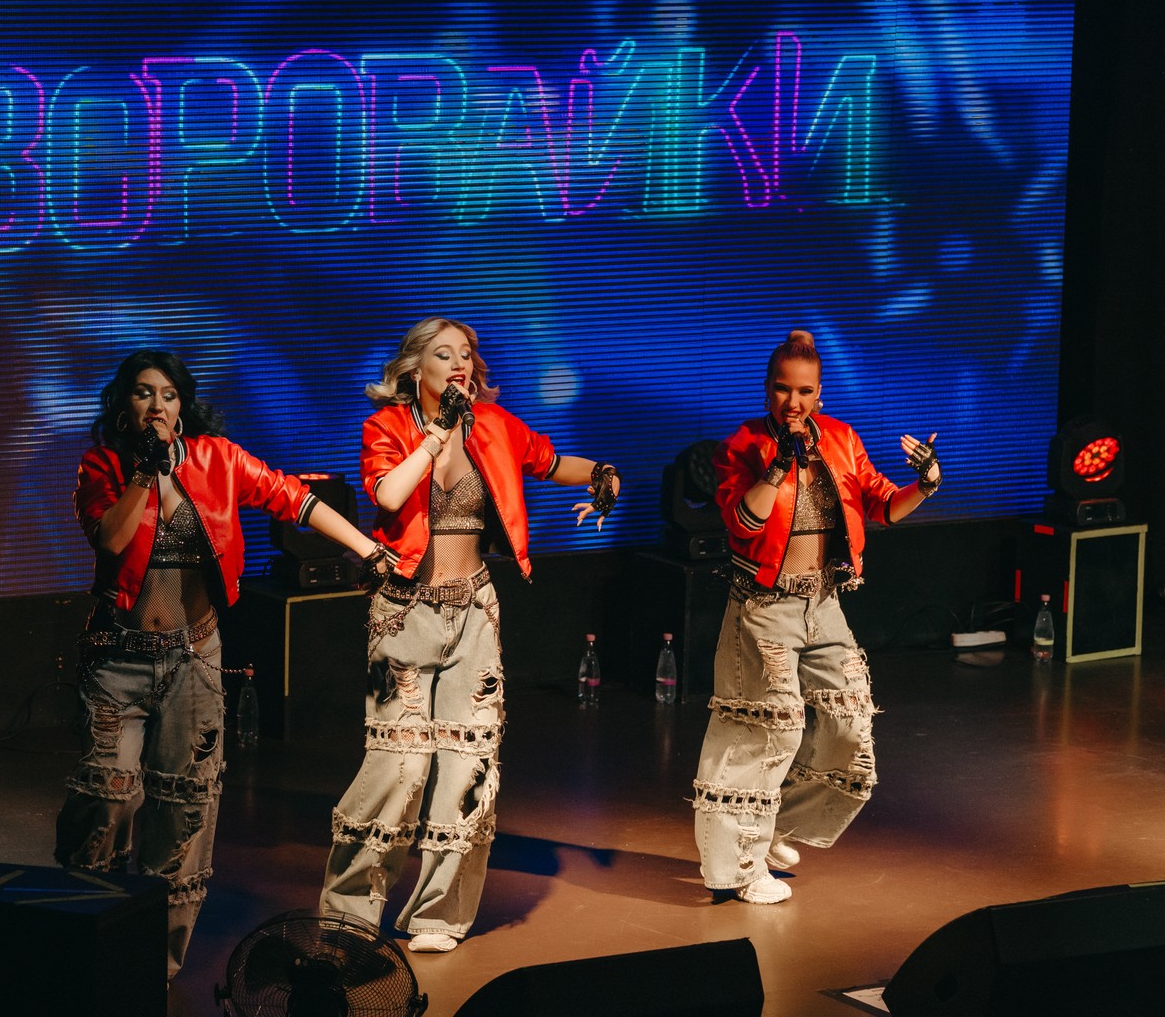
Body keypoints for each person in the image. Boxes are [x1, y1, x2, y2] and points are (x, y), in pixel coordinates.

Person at [56, 349, 390, 978]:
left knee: (183, 806)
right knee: (107, 797)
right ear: (124, 406)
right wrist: (145, 473)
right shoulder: (104, 464)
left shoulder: (218, 458)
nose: (157, 405)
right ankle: (86, 938)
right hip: (119, 660)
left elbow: (294, 499)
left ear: (183, 406)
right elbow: (110, 538)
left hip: (195, 658)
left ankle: (153, 962)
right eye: (144, 393)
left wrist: (366, 546)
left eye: (169, 395)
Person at [319, 316, 621, 954]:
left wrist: (603, 474)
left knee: (467, 769)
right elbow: (389, 495)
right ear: (415, 371)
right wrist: (435, 438)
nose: (459, 364)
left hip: (475, 614)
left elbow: (551, 461)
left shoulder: (496, 425)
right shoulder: (387, 428)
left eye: (466, 355)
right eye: (443, 354)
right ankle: (349, 912)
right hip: (403, 614)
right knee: (398, 769)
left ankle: (438, 915)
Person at [691, 329, 942, 904]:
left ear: (820, 394)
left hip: (824, 604)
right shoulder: (742, 445)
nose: (794, 402)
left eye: (805, 391)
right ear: (767, 390)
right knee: (769, 732)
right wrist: (778, 465)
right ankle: (739, 868)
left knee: (850, 728)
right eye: (784, 389)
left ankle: (772, 827)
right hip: (764, 607)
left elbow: (883, 505)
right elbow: (743, 523)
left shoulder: (842, 439)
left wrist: (925, 485)